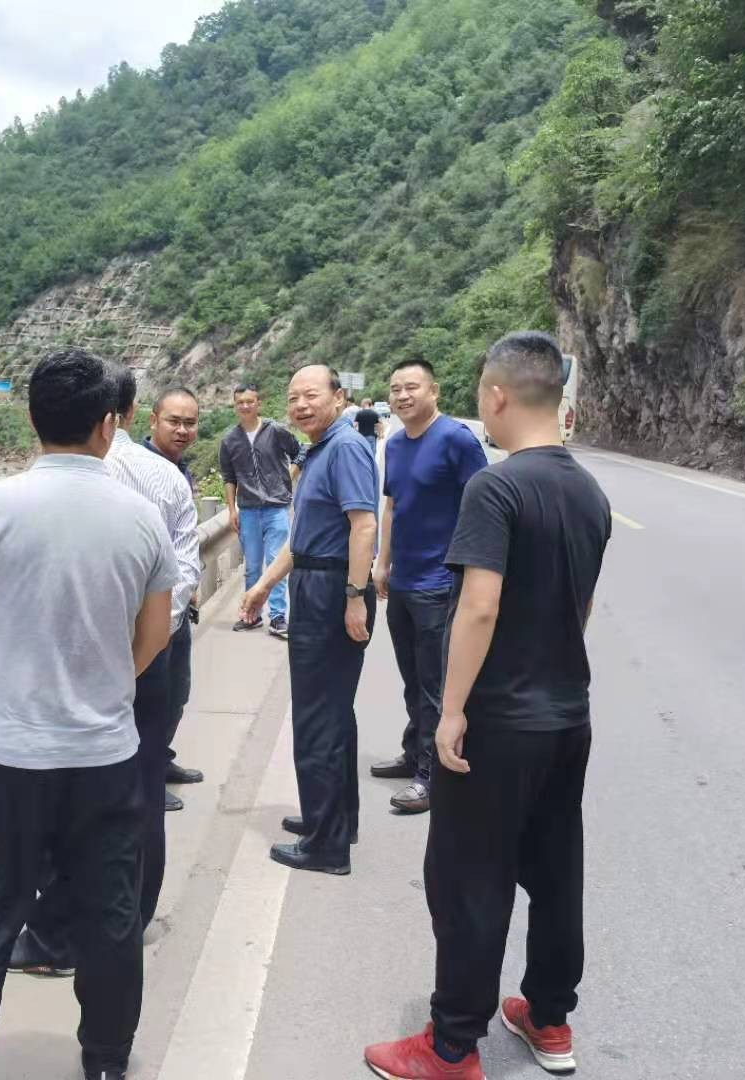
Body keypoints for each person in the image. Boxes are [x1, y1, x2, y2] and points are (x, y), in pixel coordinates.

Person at [0, 349, 178, 1080]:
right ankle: (106, 1063)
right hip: (105, 758)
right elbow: (156, 635)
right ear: (108, 424)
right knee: (111, 920)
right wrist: (102, 684)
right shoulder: (142, 516)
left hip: (6, 756)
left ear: (33, 420)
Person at [363, 333, 611, 1080]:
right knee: (555, 869)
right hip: (566, 714)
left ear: (497, 396)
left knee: (469, 877)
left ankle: (451, 1044)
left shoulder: (496, 489)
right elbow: (580, 607)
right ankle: (549, 1017)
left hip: (498, 722)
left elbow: (479, 605)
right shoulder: (589, 492)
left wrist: (451, 711)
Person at [9, 367, 202, 977]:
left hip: (78, 662)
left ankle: (58, 936)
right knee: (141, 788)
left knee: (68, 796)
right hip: (155, 655)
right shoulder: (165, 478)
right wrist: (142, 651)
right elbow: (184, 574)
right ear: (127, 413)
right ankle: (129, 921)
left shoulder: (43, 486)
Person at [241, 365, 378, 875]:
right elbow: (304, 538)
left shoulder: (345, 448)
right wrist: (263, 585)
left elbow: (363, 526)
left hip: (330, 588)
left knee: (318, 717)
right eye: (293, 397)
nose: (300, 405)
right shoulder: (320, 449)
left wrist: (354, 596)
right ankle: (333, 820)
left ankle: (326, 846)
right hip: (316, 580)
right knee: (332, 712)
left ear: (338, 397)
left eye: (311, 395)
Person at [370, 360, 488, 816]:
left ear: (433, 390)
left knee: (436, 683)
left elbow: (483, 507)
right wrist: (383, 562)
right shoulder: (396, 444)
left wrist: (472, 573)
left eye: (411, 387)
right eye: (395, 388)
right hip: (403, 580)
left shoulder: (457, 439)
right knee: (412, 678)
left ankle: (431, 774)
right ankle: (413, 751)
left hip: (440, 583)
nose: (402, 395)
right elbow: (392, 506)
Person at [145, 386, 205, 797]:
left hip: (178, 603)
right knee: (151, 697)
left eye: (190, 423)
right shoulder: (140, 468)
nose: (182, 430)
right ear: (153, 420)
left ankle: (159, 759)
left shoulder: (179, 468)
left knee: (176, 692)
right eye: (174, 421)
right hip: (150, 607)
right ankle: (146, 777)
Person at [220, 382, 301, 640]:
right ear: (235, 406)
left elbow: (301, 452)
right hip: (248, 511)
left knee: (275, 564)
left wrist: (289, 477)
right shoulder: (229, 440)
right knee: (252, 566)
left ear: (258, 403)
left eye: (249, 401)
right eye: (240, 402)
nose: (245, 406)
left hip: (276, 508)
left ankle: (278, 617)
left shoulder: (275, 431)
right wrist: (231, 510)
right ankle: (252, 615)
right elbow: (229, 477)